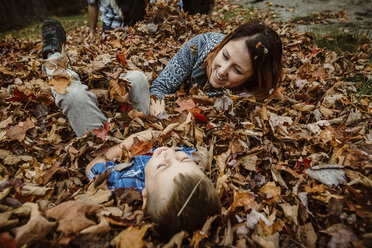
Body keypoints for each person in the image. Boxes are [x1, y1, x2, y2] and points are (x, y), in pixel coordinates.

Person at [85, 130, 221, 239]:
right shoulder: (188, 160)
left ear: (145, 196)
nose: (169, 153)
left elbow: (92, 168)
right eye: (184, 159)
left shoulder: (124, 182)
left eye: (162, 166)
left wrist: (127, 142)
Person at [41, 19, 150, 136]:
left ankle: (53, 59)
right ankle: (133, 126)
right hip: (142, 137)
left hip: (107, 151)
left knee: (72, 95)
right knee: (137, 78)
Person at [149, 21, 283, 100]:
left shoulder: (254, 96)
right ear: (223, 44)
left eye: (237, 69)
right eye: (225, 56)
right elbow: (161, 86)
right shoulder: (199, 46)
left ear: (253, 77)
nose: (223, 70)